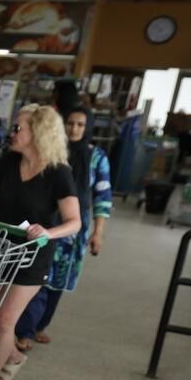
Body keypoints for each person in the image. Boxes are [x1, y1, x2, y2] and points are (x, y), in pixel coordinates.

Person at [0, 103, 81, 380]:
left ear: (38, 132)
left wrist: (48, 232)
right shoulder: (8, 162)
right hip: (2, 247)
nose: (12, 133)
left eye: (18, 128)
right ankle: (13, 355)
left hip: (34, 255)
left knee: (3, 321)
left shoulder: (58, 173)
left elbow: (74, 221)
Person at [15, 107, 113, 350]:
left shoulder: (97, 157)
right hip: (46, 221)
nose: (74, 129)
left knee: (59, 280)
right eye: (70, 123)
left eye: (80, 124)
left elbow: (103, 196)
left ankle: (39, 325)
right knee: (37, 275)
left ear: (88, 127)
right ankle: (24, 331)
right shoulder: (52, 150)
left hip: (72, 230)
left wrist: (98, 233)